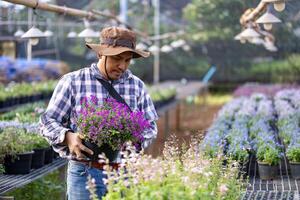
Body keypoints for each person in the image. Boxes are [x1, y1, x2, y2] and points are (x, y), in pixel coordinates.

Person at [39, 26, 158, 200]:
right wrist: (68, 137)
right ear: (100, 54)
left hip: (123, 173)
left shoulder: (136, 85)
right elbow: (47, 121)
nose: (122, 66)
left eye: (127, 60)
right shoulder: (73, 81)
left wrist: (134, 141)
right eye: (117, 58)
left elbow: (150, 127)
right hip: (84, 172)